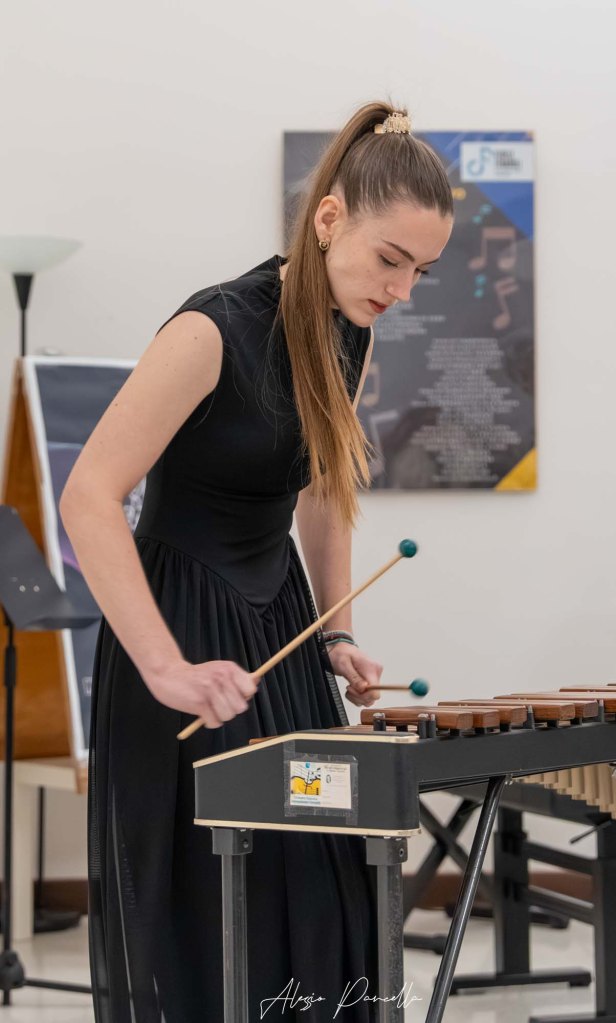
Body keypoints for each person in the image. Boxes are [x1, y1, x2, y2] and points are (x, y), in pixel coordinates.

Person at [60, 100, 453, 1022]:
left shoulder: (350, 331)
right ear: (329, 220)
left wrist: (336, 634)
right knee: (214, 911)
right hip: (182, 635)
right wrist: (165, 667)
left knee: (316, 882)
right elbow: (88, 496)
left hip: (280, 627)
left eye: (421, 271)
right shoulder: (211, 330)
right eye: (390, 259)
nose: (402, 290)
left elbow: (322, 489)